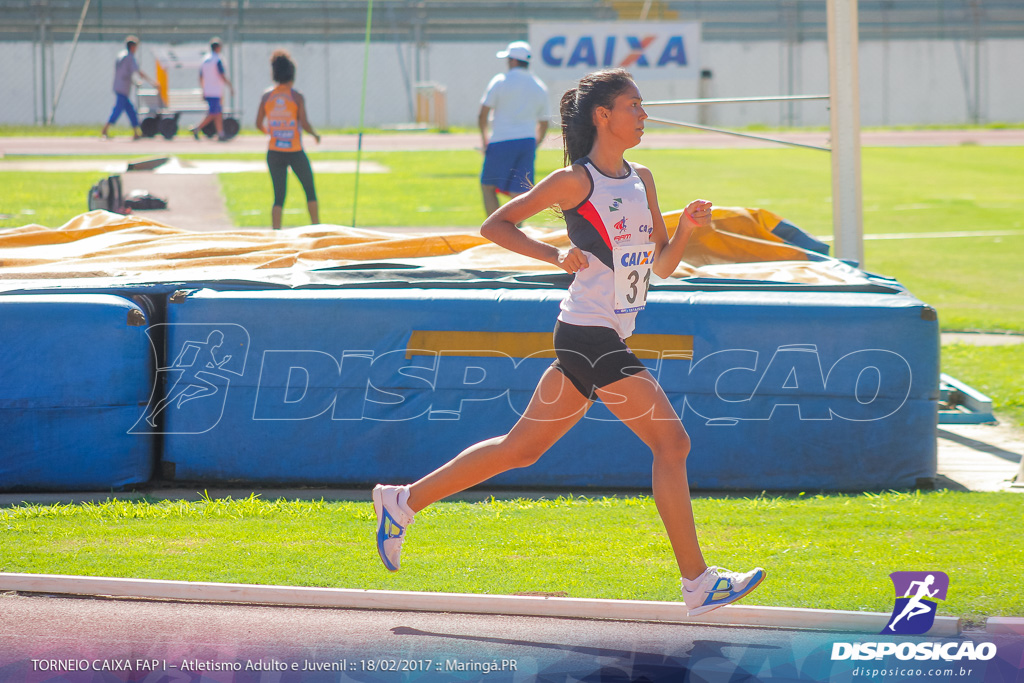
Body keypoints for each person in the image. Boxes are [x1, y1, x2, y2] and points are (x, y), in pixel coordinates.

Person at [373, 69, 766, 617]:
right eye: (634, 106)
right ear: (602, 116)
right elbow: (496, 225)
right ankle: (697, 581)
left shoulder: (643, 178)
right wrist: (555, 255)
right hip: (587, 332)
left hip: (599, 334)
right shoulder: (574, 182)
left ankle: (402, 501)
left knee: (520, 449)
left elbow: (662, 267)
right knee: (672, 445)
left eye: (642, 107)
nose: (643, 115)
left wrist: (687, 232)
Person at [478, 40, 550, 216]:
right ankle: (517, 231)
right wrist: (536, 143)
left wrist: (484, 139)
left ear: (513, 60)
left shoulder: (500, 81)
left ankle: (496, 230)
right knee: (520, 192)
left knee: (488, 186)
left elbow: (483, 114)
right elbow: (544, 122)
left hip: (501, 140)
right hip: (527, 141)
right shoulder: (538, 85)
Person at [254, 49, 321, 230]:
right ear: (292, 74)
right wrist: (315, 135)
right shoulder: (296, 96)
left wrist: (272, 133)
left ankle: (276, 233)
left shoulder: (267, 96)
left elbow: (258, 123)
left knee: (278, 197)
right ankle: (318, 230)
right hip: (295, 151)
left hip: (274, 151)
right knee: (310, 191)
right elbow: (304, 123)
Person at [100, 35, 156, 140]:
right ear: (132, 47)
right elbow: (138, 71)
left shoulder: (121, 56)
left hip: (119, 86)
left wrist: (134, 82)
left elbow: (125, 72)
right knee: (117, 110)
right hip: (123, 88)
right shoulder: (129, 57)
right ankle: (105, 129)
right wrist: (152, 82)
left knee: (130, 110)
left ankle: (136, 132)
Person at [190, 38, 234, 141]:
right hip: (216, 91)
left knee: (218, 113)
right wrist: (230, 86)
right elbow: (222, 75)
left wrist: (203, 89)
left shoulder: (205, 60)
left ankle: (221, 134)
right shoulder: (218, 59)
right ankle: (197, 128)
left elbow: (200, 77)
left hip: (208, 90)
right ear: (218, 48)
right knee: (213, 113)